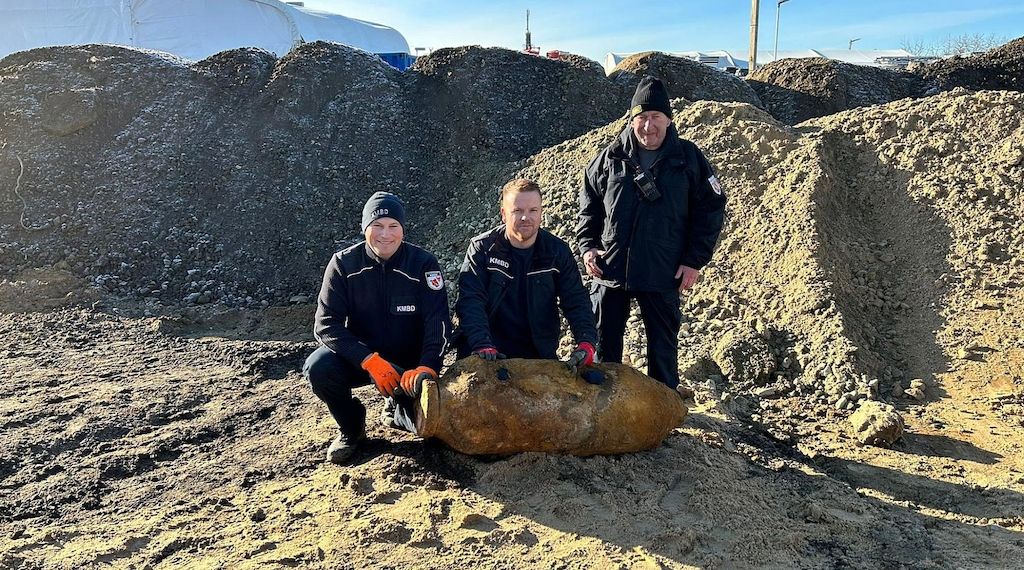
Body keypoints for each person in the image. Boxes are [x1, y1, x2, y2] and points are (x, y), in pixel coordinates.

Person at [577, 76, 726, 393]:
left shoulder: (688, 159)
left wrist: (693, 260)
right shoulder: (610, 158)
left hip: (663, 269)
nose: (648, 126)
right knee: (604, 349)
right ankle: (605, 407)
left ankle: (665, 410)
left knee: (663, 349)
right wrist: (589, 246)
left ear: (669, 119)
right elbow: (589, 205)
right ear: (631, 121)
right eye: (641, 118)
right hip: (611, 270)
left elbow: (710, 210)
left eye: (655, 117)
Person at [303, 191, 451, 465]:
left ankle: (397, 404)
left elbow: (439, 321)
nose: (385, 234)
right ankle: (351, 428)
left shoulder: (424, 264)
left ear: (403, 230)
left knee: (427, 431)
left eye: (393, 226)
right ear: (365, 229)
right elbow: (325, 325)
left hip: (409, 367)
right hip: (364, 360)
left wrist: (428, 366)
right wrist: (368, 360)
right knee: (318, 367)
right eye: (377, 226)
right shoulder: (343, 264)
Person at [456, 178, 598, 373]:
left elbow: (576, 299)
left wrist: (586, 342)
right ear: (504, 214)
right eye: (518, 211)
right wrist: (482, 344)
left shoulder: (557, 252)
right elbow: (470, 300)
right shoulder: (483, 249)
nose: (526, 217)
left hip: (537, 353)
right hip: (488, 352)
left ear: (541, 212)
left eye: (533, 210)